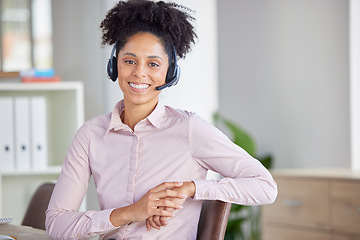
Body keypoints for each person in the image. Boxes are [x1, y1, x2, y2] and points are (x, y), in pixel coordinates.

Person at [45, 0, 278, 239]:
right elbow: (56, 224)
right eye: (129, 61)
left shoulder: (189, 129)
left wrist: (190, 189)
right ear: (115, 65)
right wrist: (130, 212)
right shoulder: (91, 134)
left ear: (170, 72)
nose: (139, 72)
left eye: (153, 63)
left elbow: (265, 186)